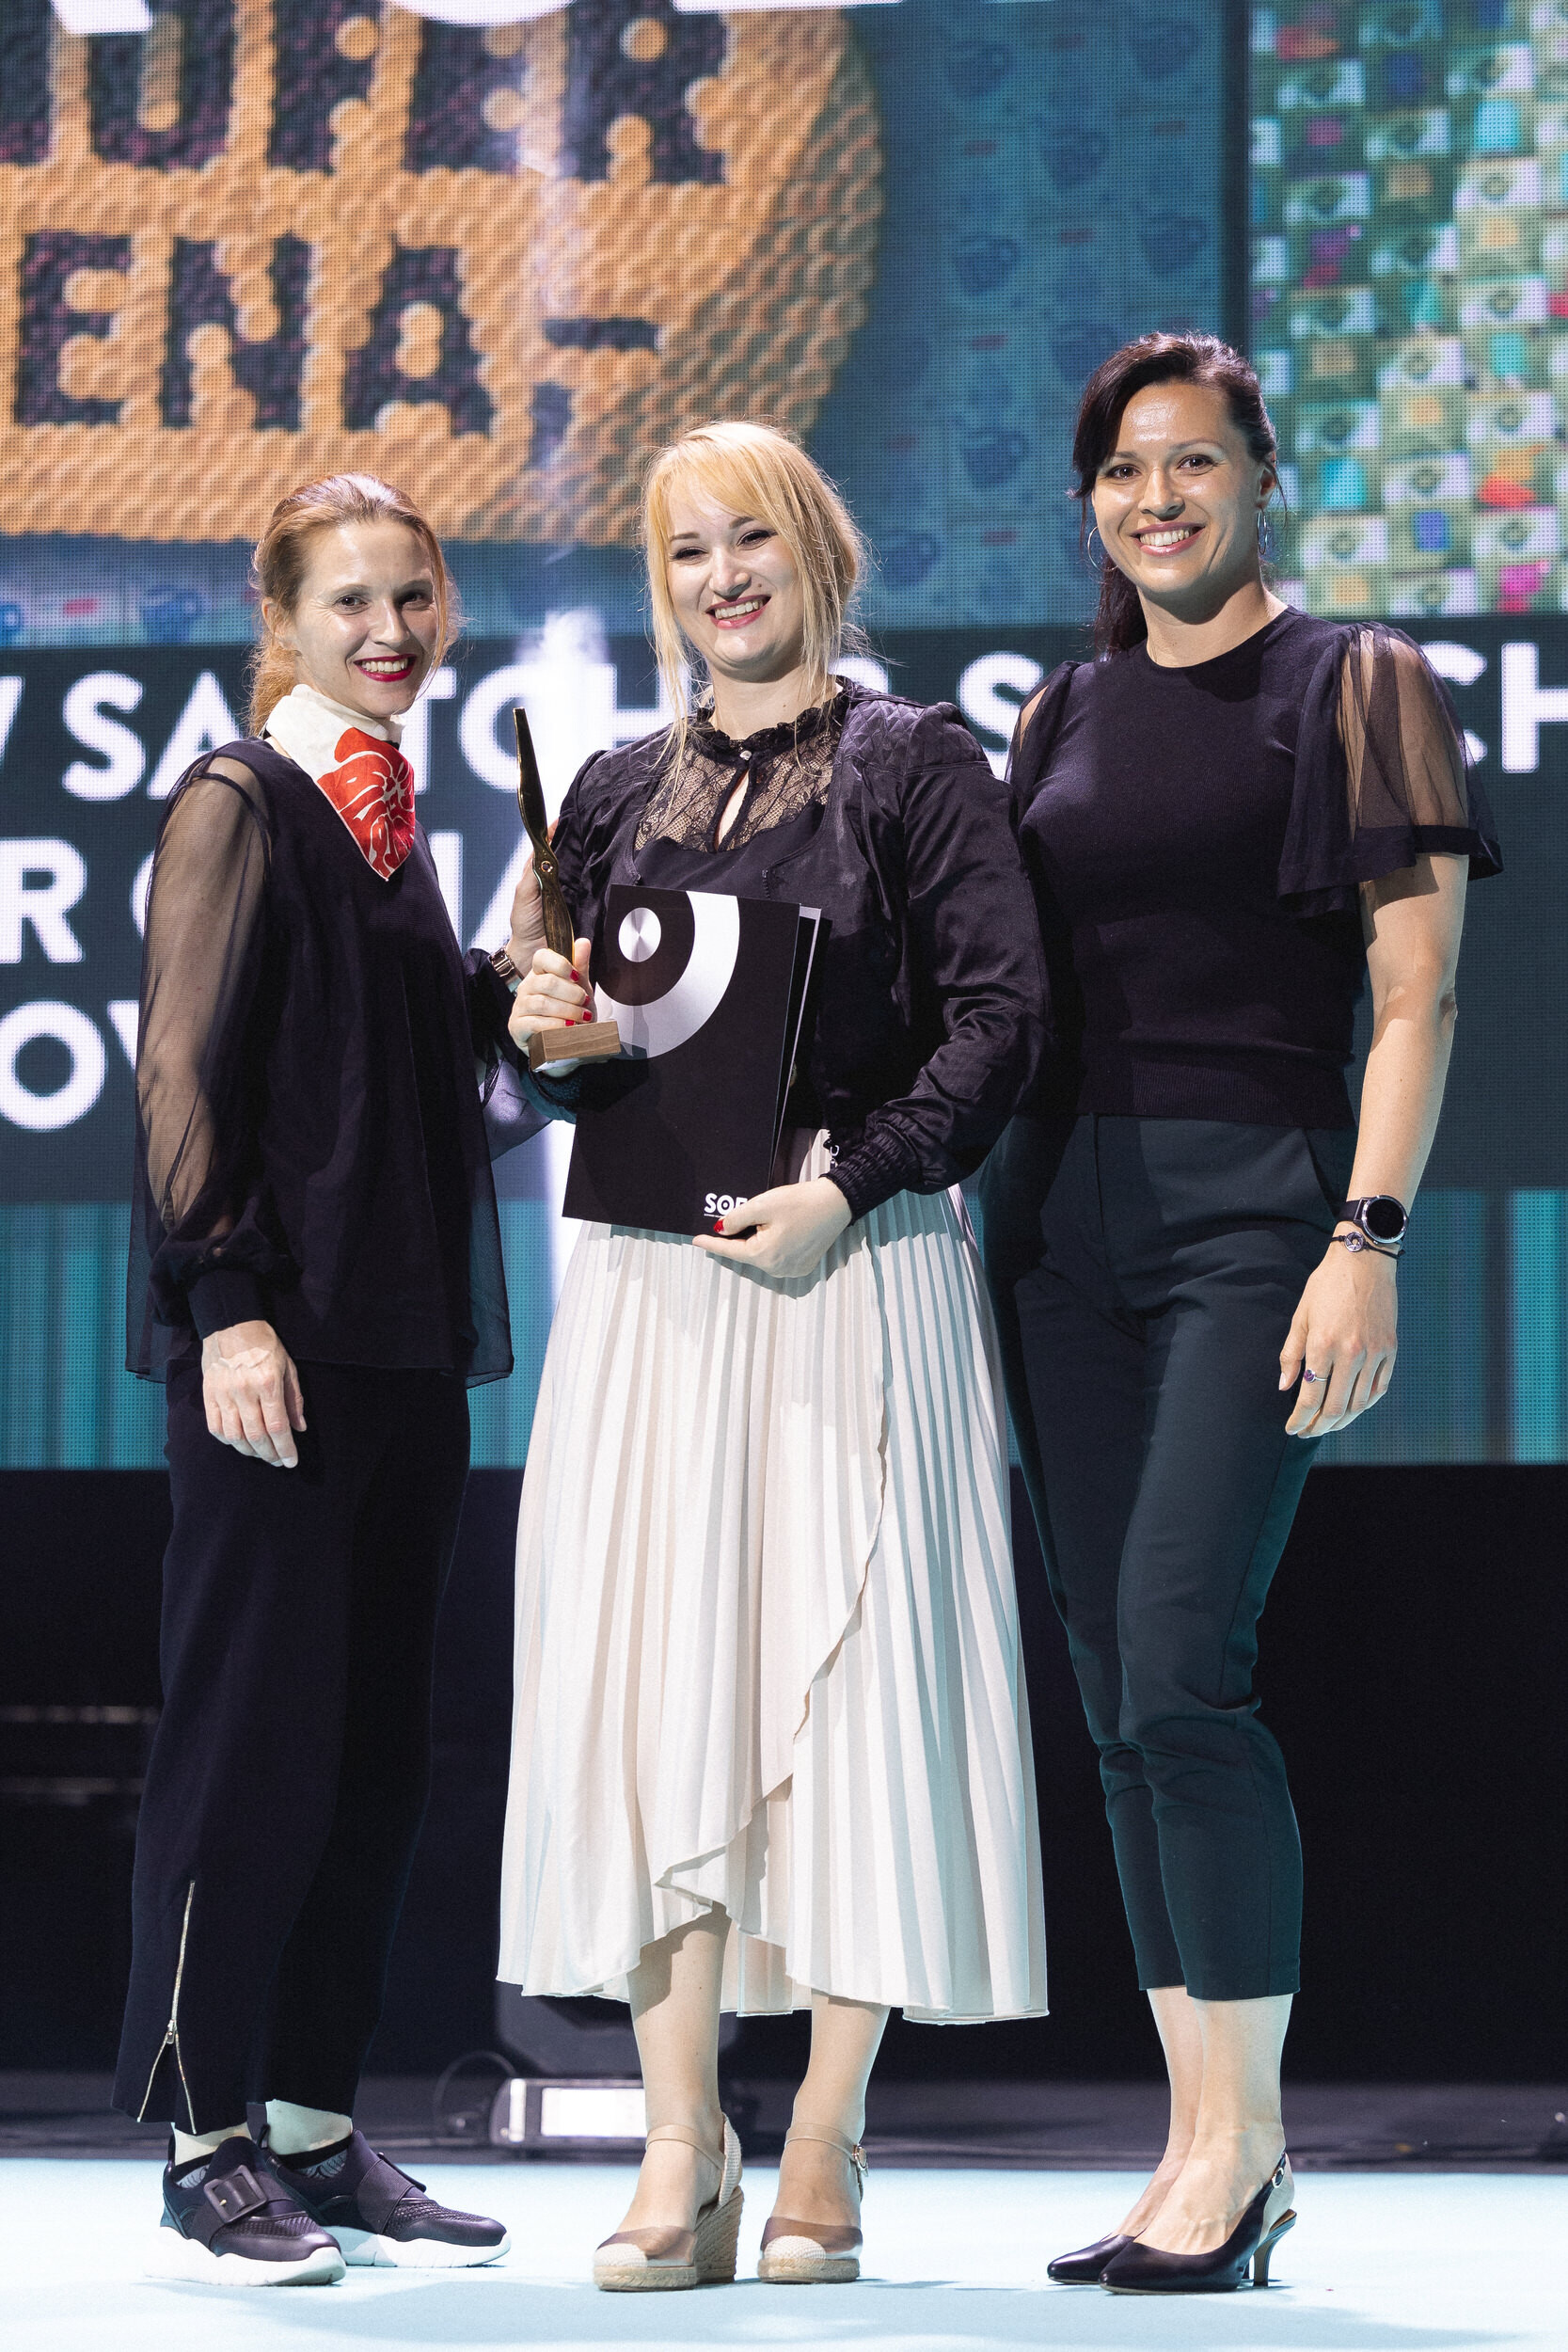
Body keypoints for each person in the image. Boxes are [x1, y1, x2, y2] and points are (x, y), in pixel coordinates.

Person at [495, 420, 1049, 2291]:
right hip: (653, 1296)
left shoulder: (915, 764)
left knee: (848, 1697)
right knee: (655, 1689)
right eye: (685, 552)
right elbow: (570, 1058)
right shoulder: (610, 789)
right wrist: (549, 1035)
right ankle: (680, 2141)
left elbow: (998, 1022)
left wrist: (852, 1185)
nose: (721, 578)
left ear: (821, 553)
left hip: (854, 1271)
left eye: (751, 540)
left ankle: (824, 2134)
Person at [978, 334, 1499, 2296]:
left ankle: (1254, 2142)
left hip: (1249, 1216)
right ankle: (1196, 2141)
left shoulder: (1359, 681)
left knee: (1188, 1658)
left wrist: (1367, 1236)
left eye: (1194, 461)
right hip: (1052, 1229)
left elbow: (1416, 993)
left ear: (1263, 475)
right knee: (1116, 1688)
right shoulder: (1059, 706)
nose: (1158, 498)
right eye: (1125, 470)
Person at [116, 472, 539, 2284]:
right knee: (249, 1747)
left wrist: (509, 996)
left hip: (401, 1346)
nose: (389, 631)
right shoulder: (243, 795)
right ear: (279, 617)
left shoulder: (387, 814)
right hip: (273, 1351)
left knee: (371, 1755)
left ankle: (307, 2124)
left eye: (413, 597)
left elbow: (394, 1061)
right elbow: (181, 1072)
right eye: (350, 601)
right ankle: (203, 2139)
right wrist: (224, 1304)